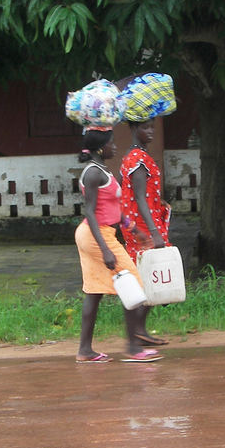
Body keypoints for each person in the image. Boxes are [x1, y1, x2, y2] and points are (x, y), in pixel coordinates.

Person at [75, 127, 163, 363]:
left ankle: (85, 351)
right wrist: (105, 249)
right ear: (101, 147)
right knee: (133, 284)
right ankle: (133, 348)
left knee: (94, 293)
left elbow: (112, 208)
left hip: (98, 234)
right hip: (97, 236)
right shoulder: (94, 173)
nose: (115, 147)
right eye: (112, 143)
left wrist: (133, 229)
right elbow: (91, 213)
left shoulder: (101, 170)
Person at [119, 118, 171, 346]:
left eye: (151, 127)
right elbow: (139, 198)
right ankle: (136, 333)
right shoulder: (137, 159)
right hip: (144, 227)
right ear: (132, 128)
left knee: (151, 277)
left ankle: (140, 331)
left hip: (148, 222)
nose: (150, 131)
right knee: (147, 277)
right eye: (144, 127)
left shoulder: (137, 155)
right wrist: (153, 231)